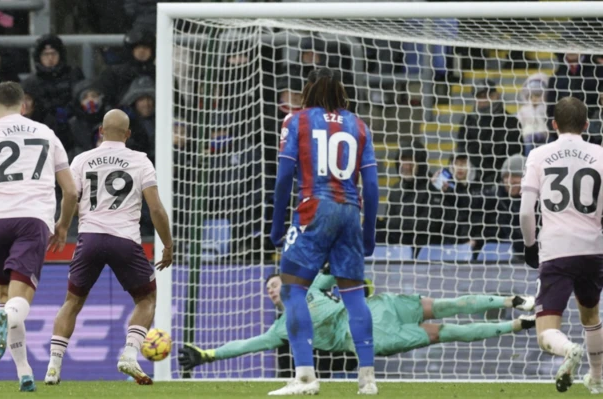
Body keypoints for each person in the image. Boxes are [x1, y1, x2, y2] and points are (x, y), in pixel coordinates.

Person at [178, 268, 536, 372]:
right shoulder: (281, 328)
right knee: (449, 332)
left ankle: (511, 301)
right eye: (270, 291)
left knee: (446, 305)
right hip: (371, 338)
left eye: (276, 285)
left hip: (378, 308)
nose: (273, 291)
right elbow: (245, 345)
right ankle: (515, 326)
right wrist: (209, 355)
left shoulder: (312, 289)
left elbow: (339, 267)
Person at [269, 67, 379, 395]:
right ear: (342, 92)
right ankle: (368, 380)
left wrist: (278, 225)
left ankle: (305, 377)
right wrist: (369, 233)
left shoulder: (297, 120)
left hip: (315, 207)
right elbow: (371, 186)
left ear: (308, 90)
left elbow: (284, 177)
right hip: (349, 211)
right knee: (355, 296)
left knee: (292, 291)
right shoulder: (360, 126)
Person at [43, 109, 173, 386]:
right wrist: (168, 243)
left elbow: (71, 197)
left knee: (72, 302)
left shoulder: (81, 160)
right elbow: (156, 208)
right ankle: (129, 353)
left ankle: (53, 365)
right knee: (146, 299)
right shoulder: (140, 161)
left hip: (89, 238)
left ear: (101, 131)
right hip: (125, 240)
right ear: (127, 134)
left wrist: (64, 225)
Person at [0, 81, 78, 392]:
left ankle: (24, 373)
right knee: (19, 300)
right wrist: (64, 225)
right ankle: (3, 322)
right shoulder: (45, 133)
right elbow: (70, 190)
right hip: (31, 219)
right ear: (24, 106)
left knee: (4, 299)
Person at [520, 97, 603, 393]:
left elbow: (527, 211)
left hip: (556, 250)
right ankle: (596, 379)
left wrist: (530, 246)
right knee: (591, 316)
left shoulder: (539, 155)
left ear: (553, 124)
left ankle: (569, 350)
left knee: (546, 333)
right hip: (592, 250)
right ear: (586, 125)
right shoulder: (601, 154)